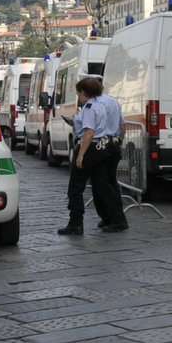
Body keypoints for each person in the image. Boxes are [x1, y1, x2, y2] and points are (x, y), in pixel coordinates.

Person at [59, 76, 126, 235]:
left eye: (78, 93)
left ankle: (75, 223)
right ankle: (118, 219)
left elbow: (89, 132)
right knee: (104, 186)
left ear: (83, 92)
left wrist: (81, 154)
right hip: (103, 147)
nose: (78, 97)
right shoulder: (100, 105)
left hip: (91, 148)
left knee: (75, 188)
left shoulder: (89, 107)